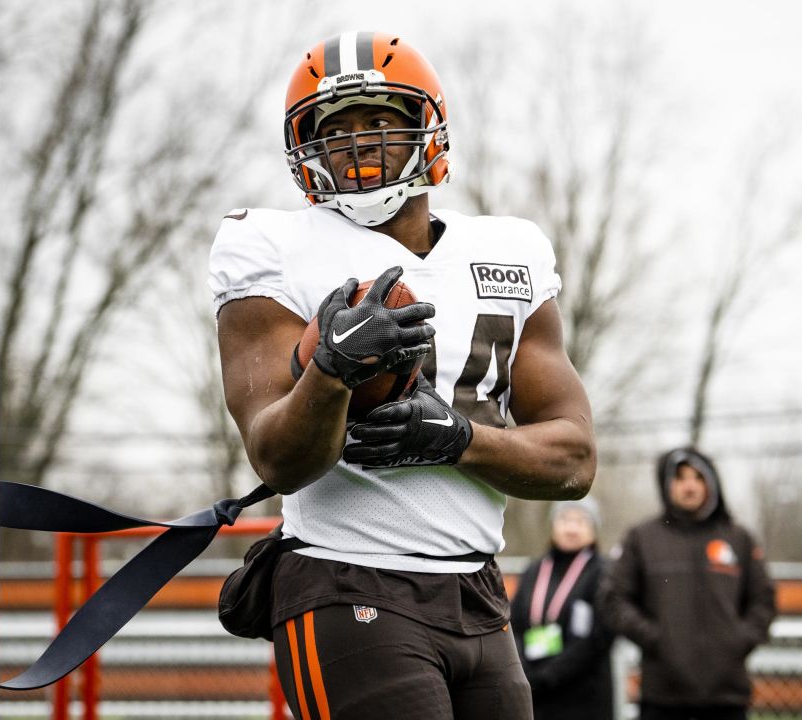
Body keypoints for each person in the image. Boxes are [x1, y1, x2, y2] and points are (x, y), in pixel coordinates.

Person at [209, 31, 596, 720]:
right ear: (306, 149)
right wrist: (330, 371)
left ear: (428, 129)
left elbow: (573, 459)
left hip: (478, 590)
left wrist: (455, 439)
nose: (358, 144)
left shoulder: (510, 250)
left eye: (381, 122)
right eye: (338, 129)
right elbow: (276, 455)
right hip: (343, 572)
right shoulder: (267, 245)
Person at [599, 448, 777, 720]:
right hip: (662, 695)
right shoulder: (642, 538)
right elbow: (613, 599)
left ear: (711, 483)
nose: (689, 485)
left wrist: (737, 640)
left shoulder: (738, 538)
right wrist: (657, 639)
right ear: (667, 483)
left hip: (726, 697)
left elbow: (763, 599)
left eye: (698, 477)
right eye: (680, 477)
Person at [510, 499, 614, 720]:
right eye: (565, 519)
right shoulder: (534, 570)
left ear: (594, 531)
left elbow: (598, 638)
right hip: (536, 692)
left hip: (583, 696)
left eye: (581, 521)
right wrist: (527, 672)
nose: (571, 528)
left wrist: (549, 676)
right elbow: (514, 622)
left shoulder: (603, 573)